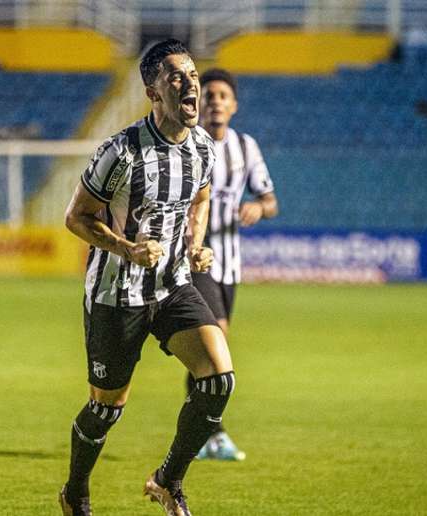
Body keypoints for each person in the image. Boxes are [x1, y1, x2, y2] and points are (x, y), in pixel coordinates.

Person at [60, 39, 234, 516]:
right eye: (176, 76)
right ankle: (75, 491)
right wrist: (127, 248)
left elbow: (199, 199)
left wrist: (196, 243)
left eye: (193, 75)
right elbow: (76, 217)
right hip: (117, 295)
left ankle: (167, 481)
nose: (190, 83)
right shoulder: (120, 152)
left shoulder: (201, 148)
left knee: (219, 379)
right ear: (152, 91)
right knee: (105, 409)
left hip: (173, 284)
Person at [189, 68, 278, 461]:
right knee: (215, 339)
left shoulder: (246, 147)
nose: (215, 101)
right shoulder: (188, 144)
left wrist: (258, 207)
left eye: (223, 95)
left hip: (231, 264)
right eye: (209, 95)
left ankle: (198, 433)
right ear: (198, 103)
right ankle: (214, 433)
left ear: (234, 105)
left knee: (205, 350)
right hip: (196, 257)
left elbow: (271, 201)